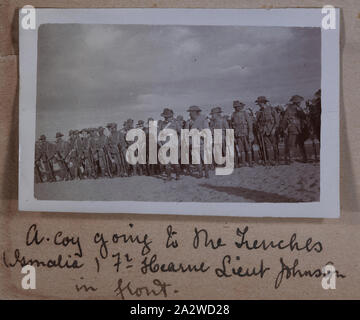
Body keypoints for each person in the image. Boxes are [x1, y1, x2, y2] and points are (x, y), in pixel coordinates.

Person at [185, 105, 210, 178]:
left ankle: (206, 173)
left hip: (202, 141)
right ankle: (200, 173)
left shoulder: (203, 120)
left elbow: (207, 130)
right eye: (190, 112)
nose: (190, 113)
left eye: (191, 112)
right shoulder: (189, 122)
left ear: (196, 112)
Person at [282, 95, 308, 163]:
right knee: (293, 144)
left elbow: (304, 117)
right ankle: (292, 158)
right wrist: (284, 128)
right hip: (293, 128)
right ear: (296, 102)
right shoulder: (289, 109)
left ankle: (303, 158)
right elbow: (285, 119)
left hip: (299, 129)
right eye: (299, 102)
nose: (300, 103)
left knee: (298, 144)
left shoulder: (299, 109)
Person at [159, 108, 181, 181]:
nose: (167, 118)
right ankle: (169, 176)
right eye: (166, 116)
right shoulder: (162, 124)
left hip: (174, 144)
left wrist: (179, 142)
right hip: (165, 145)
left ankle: (178, 176)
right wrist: (160, 143)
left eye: (168, 116)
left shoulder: (176, 123)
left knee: (175, 161)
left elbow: (181, 133)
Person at [255, 96, 278, 165]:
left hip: (271, 129)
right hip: (264, 131)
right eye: (258, 103)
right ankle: (269, 160)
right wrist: (260, 128)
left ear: (263, 102)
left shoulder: (271, 109)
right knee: (267, 146)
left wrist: (274, 129)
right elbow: (258, 122)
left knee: (274, 145)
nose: (259, 104)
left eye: (260, 103)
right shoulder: (259, 111)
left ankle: (276, 160)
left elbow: (277, 121)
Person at [231, 101, 254, 167]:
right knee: (241, 149)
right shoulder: (233, 114)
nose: (237, 108)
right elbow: (232, 125)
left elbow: (250, 123)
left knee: (248, 148)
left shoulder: (245, 113)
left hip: (245, 133)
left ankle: (250, 162)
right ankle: (243, 163)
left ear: (240, 107)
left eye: (238, 106)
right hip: (237, 134)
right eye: (235, 107)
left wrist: (250, 132)